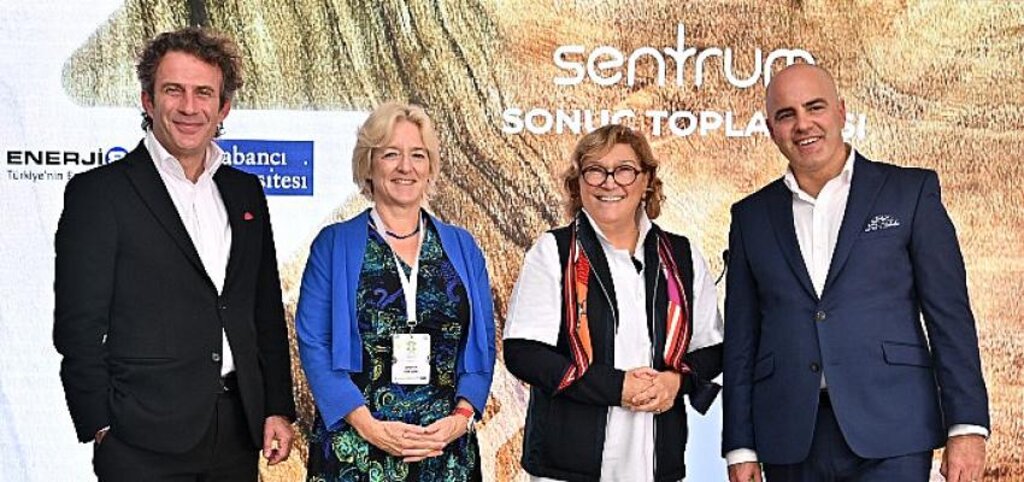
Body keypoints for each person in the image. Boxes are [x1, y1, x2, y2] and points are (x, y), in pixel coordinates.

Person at [722, 63, 989, 482]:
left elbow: (949, 316)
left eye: (815, 107)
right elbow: (742, 340)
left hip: (894, 431)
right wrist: (740, 445)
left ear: (841, 112)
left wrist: (967, 426)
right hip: (789, 435)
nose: (803, 124)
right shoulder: (750, 217)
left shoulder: (909, 192)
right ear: (771, 129)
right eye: (786, 114)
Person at [53, 27, 296, 481]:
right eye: (173, 90)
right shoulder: (99, 193)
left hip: (236, 432)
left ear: (223, 107)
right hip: (139, 438)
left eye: (204, 92)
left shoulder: (245, 192)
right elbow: (77, 326)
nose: (189, 107)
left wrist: (277, 407)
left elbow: (263, 309)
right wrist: (100, 424)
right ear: (148, 100)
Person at [503, 124, 724, 481]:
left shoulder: (681, 256)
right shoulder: (553, 252)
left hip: (656, 462)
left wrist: (676, 382)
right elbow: (525, 353)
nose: (609, 183)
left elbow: (711, 349)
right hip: (567, 466)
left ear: (646, 180)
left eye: (624, 170)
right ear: (578, 183)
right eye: (595, 170)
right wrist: (617, 387)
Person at [295, 102, 496, 481]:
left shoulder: (463, 246)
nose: (406, 167)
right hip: (356, 448)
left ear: (430, 166)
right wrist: (367, 426)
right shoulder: (333, 245)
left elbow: (483, 342)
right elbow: (314, 342)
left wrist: (461, 418)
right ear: (368, 165)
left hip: (444, 450)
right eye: (391, 154)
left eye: (417, 155)